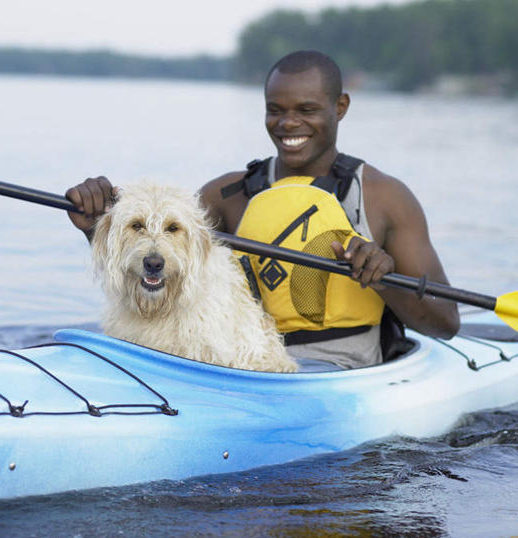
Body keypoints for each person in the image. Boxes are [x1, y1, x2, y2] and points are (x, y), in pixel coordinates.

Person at [65, 50, 459, 368]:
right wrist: (97, 226)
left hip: (337, 366)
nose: (288, 124)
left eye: (306, 110)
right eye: (275, 109)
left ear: (340, 107)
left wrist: (383, 277)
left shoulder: (385, 198)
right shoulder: (225, 193)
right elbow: (157, 266)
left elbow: (445, 323)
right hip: (240, 359)